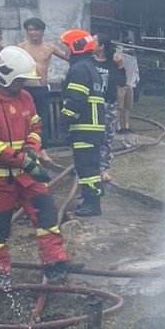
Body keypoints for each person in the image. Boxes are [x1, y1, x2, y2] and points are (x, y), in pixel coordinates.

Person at [0, 46, 71, 283]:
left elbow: (35, 126)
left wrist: (32, 150)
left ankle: (55, 263)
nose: (23, 84)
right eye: (19, 80)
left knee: (46, 213)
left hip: (25, 174)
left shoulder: (25, 97)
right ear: (5, 76)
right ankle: (0, 272)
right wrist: (22, 159)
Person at [59, 29, 105, 217]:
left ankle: (93, 204)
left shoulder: (79, 69)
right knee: (89, 165)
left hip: (84, 126)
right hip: (92, 127)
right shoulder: (90, 67)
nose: (66, 52)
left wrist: (64, 121)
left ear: (76, 48)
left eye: (67, 48)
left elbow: (76, 99)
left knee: (86, 167)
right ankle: (89, 199)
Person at [18, 17, 69, 145]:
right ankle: (25, 146)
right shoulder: (21, 47)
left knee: (42, 120)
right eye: (30, 30)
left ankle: (43, 148)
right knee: (24, 119)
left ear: (42, 31)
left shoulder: (49, 47)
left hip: (41, 88)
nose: (33, 32)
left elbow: (67, 57)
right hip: (25, 89)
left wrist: (69, 44)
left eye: (36, 30)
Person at [93, 33, 123, 181]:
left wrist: (121, 65)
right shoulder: (88, 62)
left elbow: (122, 82)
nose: (91, 45)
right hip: (92, 104)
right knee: (93, 138)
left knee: (107, 138)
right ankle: (92, 168)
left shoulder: (112, 63)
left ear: (102, 46)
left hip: (109, 104)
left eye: (94, 42)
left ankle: (104, 169)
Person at [116, 45, 139, 133]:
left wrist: (133, 83)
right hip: (120, 85)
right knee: (119, 107)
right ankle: (117, 126)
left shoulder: (133, 58)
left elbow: (136, 72)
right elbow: (117, 50)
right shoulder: (118, 54)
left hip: (130, 84)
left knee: (128, 106)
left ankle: (126, 126)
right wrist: (123, 49)